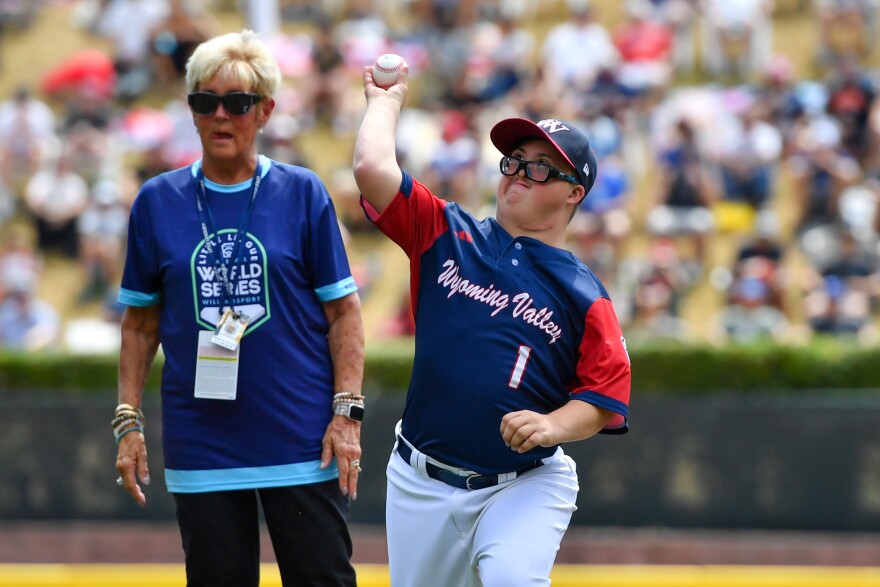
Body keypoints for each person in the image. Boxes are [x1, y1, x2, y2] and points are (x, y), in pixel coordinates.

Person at [353, 60, 632, 587]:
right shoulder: (446, 232)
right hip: (419, 480)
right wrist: (384, 104)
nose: (520, 173)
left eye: (542, 167)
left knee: (511, 580)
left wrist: (553, 425)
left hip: (523, 484)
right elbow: (371, 168)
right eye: (515, 160)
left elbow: (604, 396)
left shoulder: (583, 293)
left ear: (575, 192)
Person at [113, 30, 365, 587]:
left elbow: (344, 312)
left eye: (238, 102)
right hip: (201, 440)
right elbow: (139, 323)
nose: (220, 115)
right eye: (206, 101)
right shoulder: (156, 201)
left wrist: (346, 415)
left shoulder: (303, 193)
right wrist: (127, 421)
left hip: (300, 437)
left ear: (266, 111)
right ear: (192, 111)